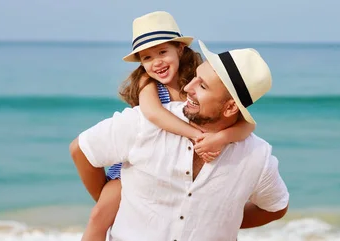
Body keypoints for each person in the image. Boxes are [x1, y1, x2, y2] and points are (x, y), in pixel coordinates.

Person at [70, 39, 289, 240]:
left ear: (231, 107)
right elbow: (81, 149)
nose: (187, 88)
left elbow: (275, 207)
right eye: (195, 78)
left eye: (202, 86)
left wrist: (217, 222)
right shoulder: (144, 122)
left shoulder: (257, 156)